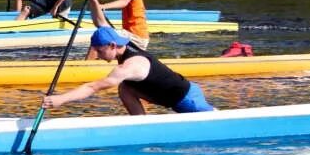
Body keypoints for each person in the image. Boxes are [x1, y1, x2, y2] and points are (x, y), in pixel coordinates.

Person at [42, 26, 215, 115]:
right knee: (125, 87)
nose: (99, 56)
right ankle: (141, 125)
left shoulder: (127, 67)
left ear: (112, 45)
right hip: (177, 96)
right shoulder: (124, 45)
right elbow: (101, 24)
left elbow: (92, 87)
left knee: (215, 121)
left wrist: (61, 99)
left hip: (188, 100)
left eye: (100, 51)